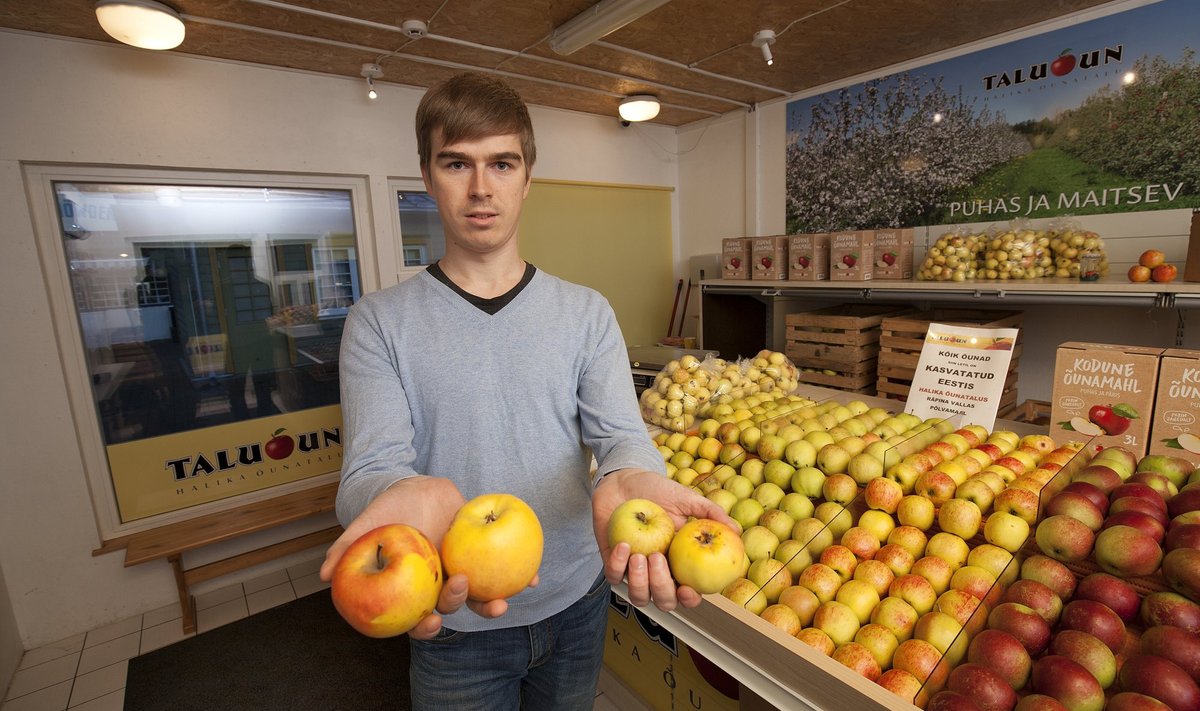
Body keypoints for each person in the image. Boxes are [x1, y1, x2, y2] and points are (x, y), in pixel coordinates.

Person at [318, 72, 737, 710]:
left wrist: (630, 475)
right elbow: (367, 472)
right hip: (454, 618)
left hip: (576, 602)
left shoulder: (586, 312)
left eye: (502, 163)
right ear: (428, 177)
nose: (481, 188)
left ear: (527, 176)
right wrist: (399, 495)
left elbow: (621, 437)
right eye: (457, 163)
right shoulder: (379, 322)